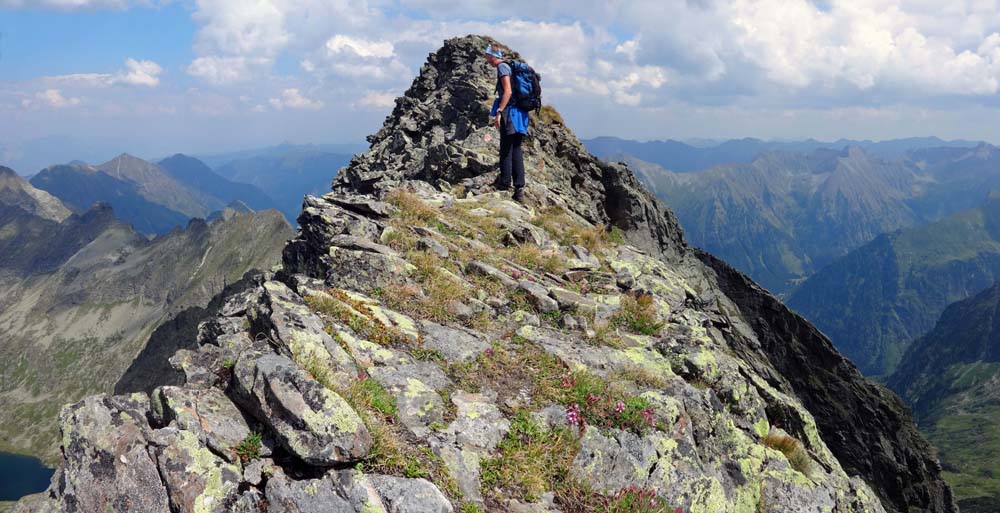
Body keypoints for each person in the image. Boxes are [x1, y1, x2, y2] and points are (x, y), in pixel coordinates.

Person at [485, 43, 530, 203]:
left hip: (510, 113)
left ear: (493, 56)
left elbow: (508, 91)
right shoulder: (510, 67)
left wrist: (499, 112)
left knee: (506, 148)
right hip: (520, 114)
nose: (486, 58)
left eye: (487, 55)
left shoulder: (502, 68)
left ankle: (504, 185)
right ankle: (519, 190)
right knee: (516, 149)